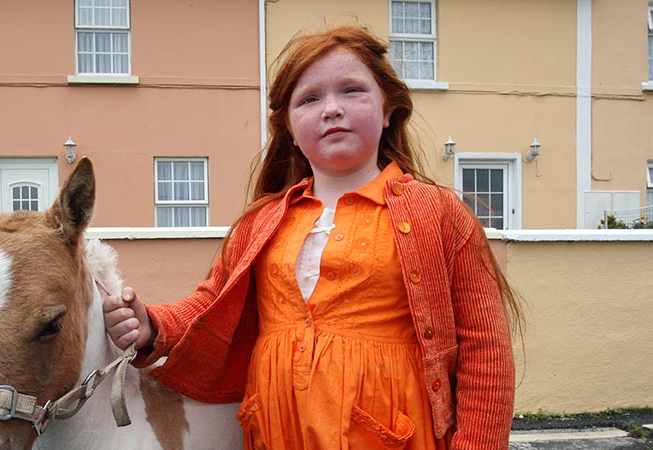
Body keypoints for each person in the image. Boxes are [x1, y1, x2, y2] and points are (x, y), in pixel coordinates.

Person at [104, 24, 521, 450]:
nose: (331, 109)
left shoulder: (439, 214)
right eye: (310, 99)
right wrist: (152, 325)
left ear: (388, 108)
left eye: (352, 90)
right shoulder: (262, 220)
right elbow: (210, 303)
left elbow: (486, 354)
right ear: (287, 125)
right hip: (274, 434)